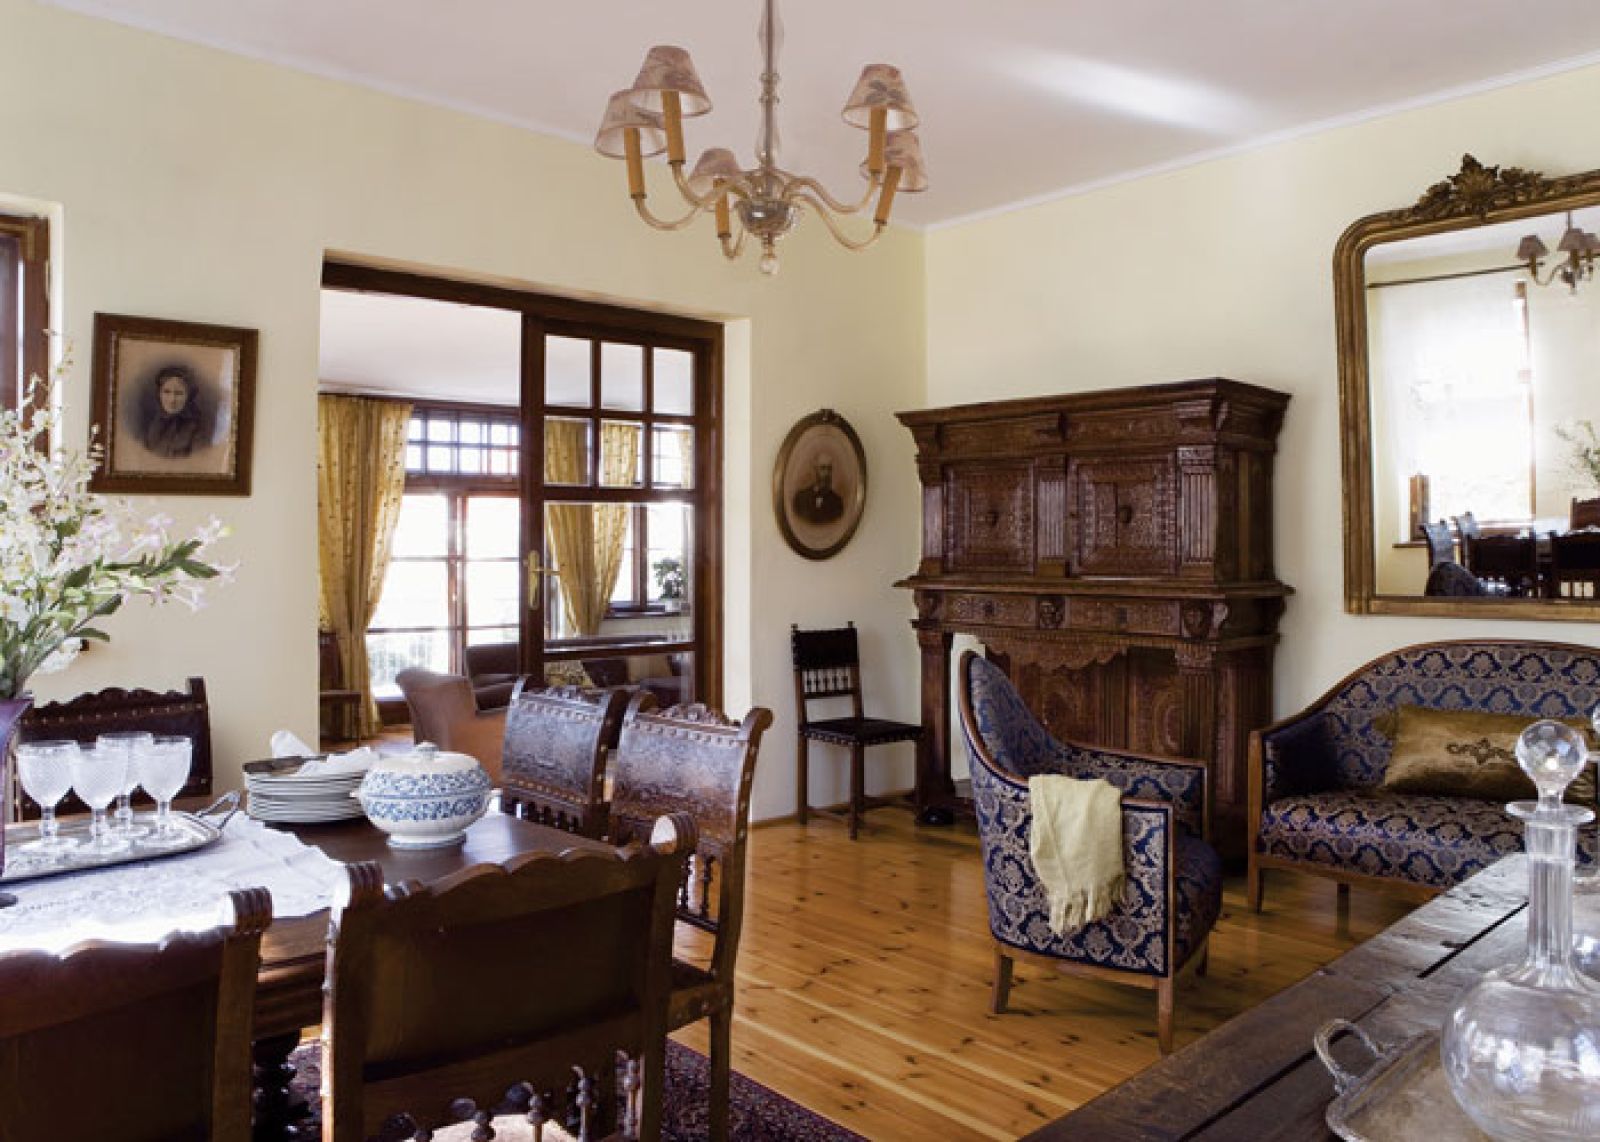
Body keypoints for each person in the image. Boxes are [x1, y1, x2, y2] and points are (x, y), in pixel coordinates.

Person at [142, 365, 204, 459]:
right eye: (166, 392)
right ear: (159, 394)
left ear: (188, 396)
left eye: (179, 393)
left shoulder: (197, 429)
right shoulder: (152, 424)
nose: (172, 400)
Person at [792, 452, 844, 525]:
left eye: (829, 469)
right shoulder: (800, 498)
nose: (826, 473)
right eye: (823, 468)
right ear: (815, 470)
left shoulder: (837, 502)